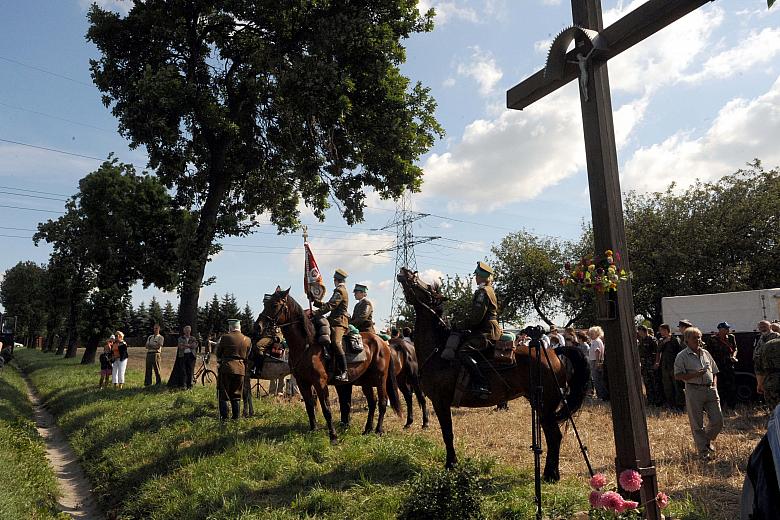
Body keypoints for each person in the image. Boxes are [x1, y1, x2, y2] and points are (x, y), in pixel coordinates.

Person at [674, 326, 723, 460]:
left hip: (710, 389)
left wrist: (714, 385)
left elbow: (714, 371)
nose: (698, 340)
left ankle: (706, 440)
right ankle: (703, 452)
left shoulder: (706, 353)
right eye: (695, 338)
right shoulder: (682, 356)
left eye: (699, 337)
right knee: (697, 423)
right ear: (687, 340)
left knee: (718, 421)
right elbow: (678, 375)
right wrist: (695, 374)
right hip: (693, 390)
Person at [458, 261, 501, 397]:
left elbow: (476, 318)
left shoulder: (483, 292)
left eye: (477, 275)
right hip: (488, 328)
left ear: (482, 276)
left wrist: (459, 325)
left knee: (463, 351)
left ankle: (481, 383)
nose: (475, 277)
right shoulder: (489, 290)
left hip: (487, 331)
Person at [313, 268, 350, 381]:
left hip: (339, 322)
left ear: (335, 280)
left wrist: (315, 313)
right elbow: (329, 304)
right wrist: (315, 302)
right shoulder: (339, 290)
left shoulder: (340, 291)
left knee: (335, 342)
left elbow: (330, 306)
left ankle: (345, 372)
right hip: (333, 320)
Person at [216, 319, 250, 421]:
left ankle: (224, 418)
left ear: (230, 328)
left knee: (224, 394)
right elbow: (247, 355)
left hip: (226, 367)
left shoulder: (225, 337)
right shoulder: (247, 339)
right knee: (237, 395)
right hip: (240, 369)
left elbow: (218, 353)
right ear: (239, 328)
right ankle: (236, 418)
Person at [707, 322, 739, 410]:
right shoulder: (712, 339)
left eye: (728, 328)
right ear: (720, 330)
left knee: (731, 386)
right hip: (718, 365)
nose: (728, 330)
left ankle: (731, 406)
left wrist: (734, 356)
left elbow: (735, 348)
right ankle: (720, 406)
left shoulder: (731, 337)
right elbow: (709, 353)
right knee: (720, 386)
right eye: (726, 329)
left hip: (729, 365)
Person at [657, 323, 685, 410]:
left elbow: (679, 352)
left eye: (662, 330)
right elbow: (658, 350)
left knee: (677, 386)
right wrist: (664, 342)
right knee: (667, 387)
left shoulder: (675, 339)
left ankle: (680, 405)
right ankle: (670, 404)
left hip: (674, 366)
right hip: (665, 367)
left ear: (666, 330)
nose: (660, 332)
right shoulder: (662, 340)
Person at [637, 325, 661, 406]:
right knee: (647, 383)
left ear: (644, 331)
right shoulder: (641, 340)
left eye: (640, 331)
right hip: (645, 366)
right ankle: (650, 401)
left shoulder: (652, 340)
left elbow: (658, 352)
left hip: (652, 365)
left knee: (655, 383)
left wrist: (656, 363)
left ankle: (657, 401)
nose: (639, 333)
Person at [756, 337, 780, 411]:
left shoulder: (767, 344)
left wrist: (760, 384)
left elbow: (759, 367)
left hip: (771, 382)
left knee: (774, 412)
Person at [588, 326, 607, 400]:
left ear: (597, 334)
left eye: (592, 334)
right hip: (596, 361)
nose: (591, 335)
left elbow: (597, 352)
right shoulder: (597, 341)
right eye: (590, 334)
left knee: (597, 380)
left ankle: (601, 396)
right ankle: (601, 395)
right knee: (598, 379)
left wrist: (597, 363)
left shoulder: (596, 341)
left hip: (595, 361)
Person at [178, 325, 198, 390]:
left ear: (190, 331)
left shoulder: (193, 338)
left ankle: (190, 386)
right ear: (184, 331)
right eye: (186, 331)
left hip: (190, 356)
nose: (187, 332)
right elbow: (180, 347)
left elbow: (194, 346)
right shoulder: (180, 338)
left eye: (188, 331)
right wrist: (190, 346)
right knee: (183, 371)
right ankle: (183, 385)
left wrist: (186, 345)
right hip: (183, 356)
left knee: (190, 371)